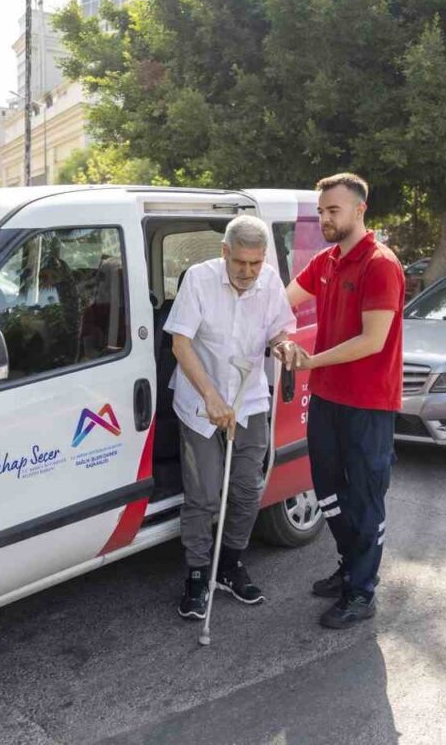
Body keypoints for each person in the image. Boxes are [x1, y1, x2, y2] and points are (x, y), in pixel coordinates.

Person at [279, 173, 405, 629]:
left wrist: (310, 361)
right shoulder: (326, 260)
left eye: (333, 210)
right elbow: (282, 301)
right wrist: (275, 332)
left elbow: (373, 340)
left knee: (366, 497)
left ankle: (362, 591)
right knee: (328, 489)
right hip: (328, 399)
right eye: (321, 212)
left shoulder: (380, 264)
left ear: (359, 210)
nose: (325, 219)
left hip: (369, 403)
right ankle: (349, 564)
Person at [164, 215, 296, 620]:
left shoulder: (269, 280)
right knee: (203, 497)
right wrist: (211, 396)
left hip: (250, 400)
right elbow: (180, 344)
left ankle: (229, 565)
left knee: (245, 490)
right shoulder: (199, 280)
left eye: (255, 264)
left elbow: (280, 330)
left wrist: (283, 346)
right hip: (201, 402)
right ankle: (198, 574)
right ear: (224, 253)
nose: (248, 272)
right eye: (240, 263)